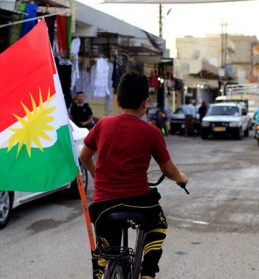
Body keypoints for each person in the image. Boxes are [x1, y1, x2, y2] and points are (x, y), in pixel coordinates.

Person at [79, 72, 188, 279]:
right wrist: (181, 177)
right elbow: (168, 170)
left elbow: (84, 156)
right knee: (158, 225)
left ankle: (102, 271)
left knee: (105, 249)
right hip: (139, 202)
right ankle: (147, 274)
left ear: (118, 101)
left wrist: (96, 175)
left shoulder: (102, 125)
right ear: (145, 103)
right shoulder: (152, 132)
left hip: (104, 204)